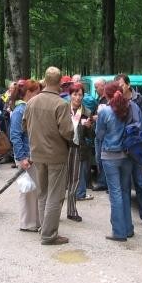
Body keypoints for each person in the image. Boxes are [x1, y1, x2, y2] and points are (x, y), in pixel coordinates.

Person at [23, 66, 74, 245]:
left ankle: (44, 229)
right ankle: (49, 235)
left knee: (43, 193)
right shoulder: (61, 104)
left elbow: (24, 125)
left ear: (44, 80)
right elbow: (67, 132)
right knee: (55, 195)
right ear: (60, 82)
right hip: (56, 155)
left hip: (37, 154)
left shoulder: (31, 102)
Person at [96, 81, 136, 242]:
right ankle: (128, 229)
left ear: (106, 94)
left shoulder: (105, 111)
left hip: (110, 156)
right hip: (126, 155)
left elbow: (99, 134)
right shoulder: (128, 108)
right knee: (125, 191)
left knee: (115, 193)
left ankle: (119, 232)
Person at [115, 74, 142, 228]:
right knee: (124, 186)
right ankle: (125, 220)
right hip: (122, 150)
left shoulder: (140, 101)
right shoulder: (115, 103)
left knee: (140, 183)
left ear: (128, 85)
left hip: (136, 148)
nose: (120, 88)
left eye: (121, 85)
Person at [9, 79, 42, 232]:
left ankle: (34, 221)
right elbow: (15, 136)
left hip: (30, 155)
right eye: (36, 92)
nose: (39, 95)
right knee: (27, 190)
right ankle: (28, 223)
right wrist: (22, 158)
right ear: (29, 93)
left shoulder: (25, 108)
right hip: (25, 157)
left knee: (32, 190)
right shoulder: (20, 111)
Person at [65, 82, 95, 223]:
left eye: (80, 95)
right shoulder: (63, 109)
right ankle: (54, 211)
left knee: (74, 181)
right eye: (75, 94)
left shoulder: (87, 112)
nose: (77, 97)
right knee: (60, 182)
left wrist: (89, 127)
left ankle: (71, 211)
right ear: (70, 95)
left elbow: (90, 136)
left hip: (78, 149)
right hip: (62, 149)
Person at [91, 78, 108, 191]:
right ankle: (102, 181)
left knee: (102, 159)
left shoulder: (107, 100)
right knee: (99, 159)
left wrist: (98, 117)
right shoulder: (100, 99)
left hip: (104, 135)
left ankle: (104, 183)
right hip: (98, 133)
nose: (95, 89)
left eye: (97, 87)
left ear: (103, 86)